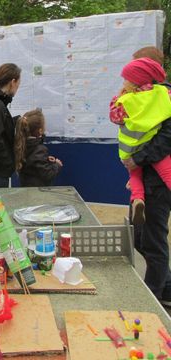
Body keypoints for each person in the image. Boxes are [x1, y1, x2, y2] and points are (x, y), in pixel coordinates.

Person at [120, 46, 171, 307]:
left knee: (153, 241)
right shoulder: (143, 95)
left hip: (157, 183)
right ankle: (167, 286)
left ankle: (153, 297)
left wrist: (137, 159)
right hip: (144, 177)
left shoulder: (165, 97)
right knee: (139, 237)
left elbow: (165, 139)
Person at [109, 57, 171, 224]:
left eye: (126, 79)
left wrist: (118, 98)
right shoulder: (162, 94)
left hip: (132, 149)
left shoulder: (127, 101)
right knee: (168, 171)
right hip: (153, 145)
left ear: (134, 81)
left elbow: (115, 117)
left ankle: (138, 199)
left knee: (134, 175)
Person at [14, 108, 62, 186]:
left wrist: (45, 159)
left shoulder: (21, 144)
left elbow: (33, 162)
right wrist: (57, 165)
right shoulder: (39, 149)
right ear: (40, 131)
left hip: (26, 187)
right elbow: (48, 174)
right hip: (38, 191)